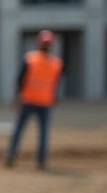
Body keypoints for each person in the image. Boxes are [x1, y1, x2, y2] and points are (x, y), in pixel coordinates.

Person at [4, 30, 64, 169]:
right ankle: (41, 161)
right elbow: (56, 84)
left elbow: (20, 80)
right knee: (43, 133)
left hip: (29, 100)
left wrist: (16, 97)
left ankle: (11, 156)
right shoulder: (56, 63)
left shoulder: (30, 59)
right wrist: (55, 98)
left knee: (19, 130)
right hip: (44, 102)